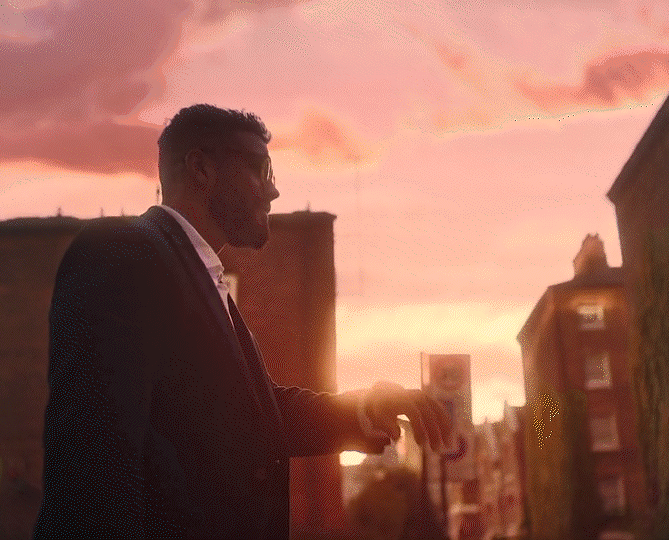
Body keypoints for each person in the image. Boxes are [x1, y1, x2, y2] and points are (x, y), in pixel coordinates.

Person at [33, 104, 451, 540]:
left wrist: (365, 408)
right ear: (201, 169)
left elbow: (262, 416)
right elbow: (94, 453)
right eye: (261, 170)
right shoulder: (121, 253)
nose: (273, 191)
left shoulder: (202, 280)